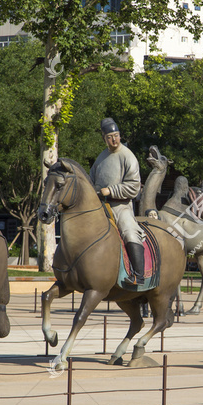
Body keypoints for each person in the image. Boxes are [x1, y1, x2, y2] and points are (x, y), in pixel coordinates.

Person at [90, 117, 145, 287]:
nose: (114, 139)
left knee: (129, 231)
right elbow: (91, 180)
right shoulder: (101, 158)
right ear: (104, 138)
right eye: (110, 137)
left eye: (117, 135)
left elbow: (134, 187)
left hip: (121, 207)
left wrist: (111, 190)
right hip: (100, 206)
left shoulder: (127, 156)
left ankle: (138, 276)